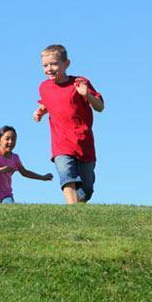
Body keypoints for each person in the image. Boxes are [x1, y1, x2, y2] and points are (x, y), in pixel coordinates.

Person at [33, 44, 104, 204]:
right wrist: (40, 111)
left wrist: (87, 96)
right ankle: (72, 214)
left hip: (83, 142)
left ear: (66, 64)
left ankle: (77, 207)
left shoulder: (79, 83)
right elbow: (47, 103)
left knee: (86, 190)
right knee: (67, 174)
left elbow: (100, 107)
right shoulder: (44, 87)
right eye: (45, 65)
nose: (49, 68)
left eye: (54, 64)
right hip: (61, 143)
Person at [0, 126, 53, 203]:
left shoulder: (15, 158)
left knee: (10, 207)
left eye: (13, 139)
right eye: (7, 139)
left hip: (6, 195)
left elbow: (25, 172)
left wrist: (42, 177)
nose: (10, 142)